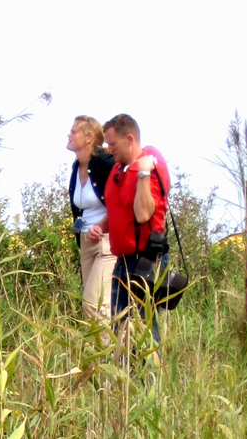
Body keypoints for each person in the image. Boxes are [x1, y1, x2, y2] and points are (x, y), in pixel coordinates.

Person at [102, 114, 170, 348]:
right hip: (122, 261)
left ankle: (150, 382)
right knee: (120, 329)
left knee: (144, 331)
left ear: (129, 139)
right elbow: (117, 209)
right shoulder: (119, 170)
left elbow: (143, 214)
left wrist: (143, 173)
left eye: (113, 144)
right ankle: (125, 380)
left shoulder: (147, 168)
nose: (108, 149)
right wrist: (99, 227)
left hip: (144, 261)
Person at [66, 116, 116, 322]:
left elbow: (120, 203)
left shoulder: (105, 163)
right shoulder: (76, 167)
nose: (68, 135)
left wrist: (102, 225)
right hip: (86, 241)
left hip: (106, 241)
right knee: (93, 312)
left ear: (88, 138)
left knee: (94, 305)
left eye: (73, 131)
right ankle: (107, 351)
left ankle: (109, 354)